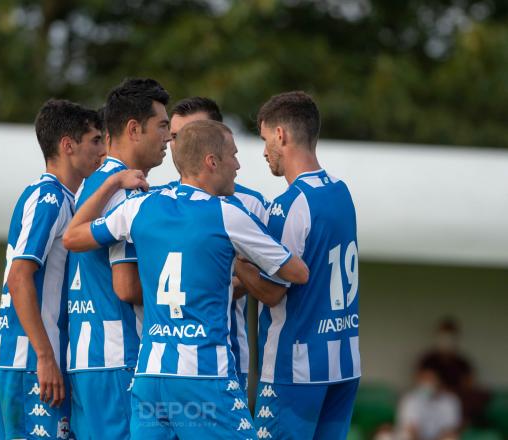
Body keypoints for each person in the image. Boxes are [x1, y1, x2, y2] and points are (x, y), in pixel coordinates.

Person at [64, 120, 309, 439]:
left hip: (151, 378)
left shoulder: (139, 206)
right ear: (212, 161)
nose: (237, 165)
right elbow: (297, 272)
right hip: (203, 377)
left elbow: (72, 237)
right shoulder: (227, 214)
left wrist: (112, 184)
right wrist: (239, 261)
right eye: (233, 155)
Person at [235, 91, 360, 439]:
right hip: (344, 361)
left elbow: (273, 293)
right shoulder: (341, 192)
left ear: (281, 135)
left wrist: (239, 264)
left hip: (296, 367)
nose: (263, 152)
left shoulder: (289, 204)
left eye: (263, 139)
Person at [0, 99, 111, 439]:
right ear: (68, 145)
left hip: (25, 358)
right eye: (96, 141)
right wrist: (45, 357)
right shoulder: (50, 198)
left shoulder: (62, 198)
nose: (103, 151)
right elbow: (19, 276)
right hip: (29, 360)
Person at [64, 78, 171, 440]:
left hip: (92, 356)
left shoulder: (97, 182)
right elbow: (125, 286)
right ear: (133, 129)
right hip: (118, 356)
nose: (169, 137)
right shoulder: (124, 190)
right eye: (163, 125)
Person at [159, 96, 271, 393]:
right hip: (161, 366)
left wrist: (225, 282)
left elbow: (274, 280)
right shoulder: (152, 202)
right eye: (174, 136)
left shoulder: (251, 204)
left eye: (192, 132)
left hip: (226, 360)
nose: (182, 143)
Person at [417, 317, 489, 426]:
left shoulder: (463, 362)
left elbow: (469, 385)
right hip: (432, 399)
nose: (446, 340)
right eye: (443, 336)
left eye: (450, 337)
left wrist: (451, 392)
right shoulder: (428, 360)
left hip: (456, 399)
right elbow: (420, 382)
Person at [395, 364, 462, 440]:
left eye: (430, 379)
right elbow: (410, 429)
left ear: (439, 381)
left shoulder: (451, 400)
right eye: (423, 379)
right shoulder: (410, 399)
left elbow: (450, 430)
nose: (426, 383)